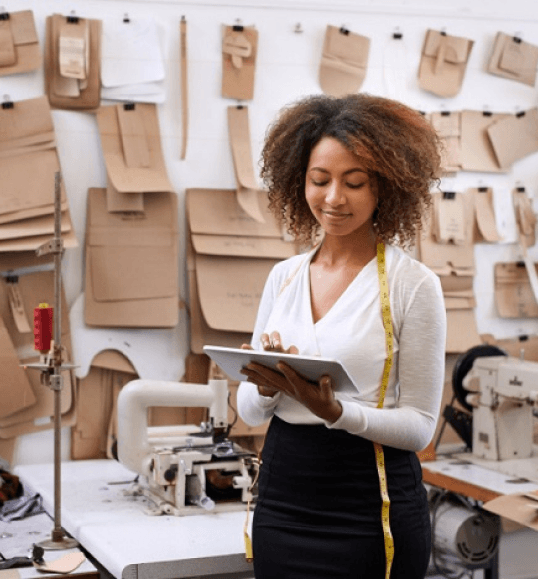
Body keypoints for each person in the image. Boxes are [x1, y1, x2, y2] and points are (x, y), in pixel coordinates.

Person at [237, 93, 447, 579]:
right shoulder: (283, 277)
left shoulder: (412, 285)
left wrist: (335, 412)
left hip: (369, 512)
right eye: (319, 180)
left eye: (354, 183)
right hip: (282, 502)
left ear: (387, 189)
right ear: (298, 181)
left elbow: (419, 428)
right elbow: (248, 412)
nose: (334, 198)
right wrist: (266, 387)